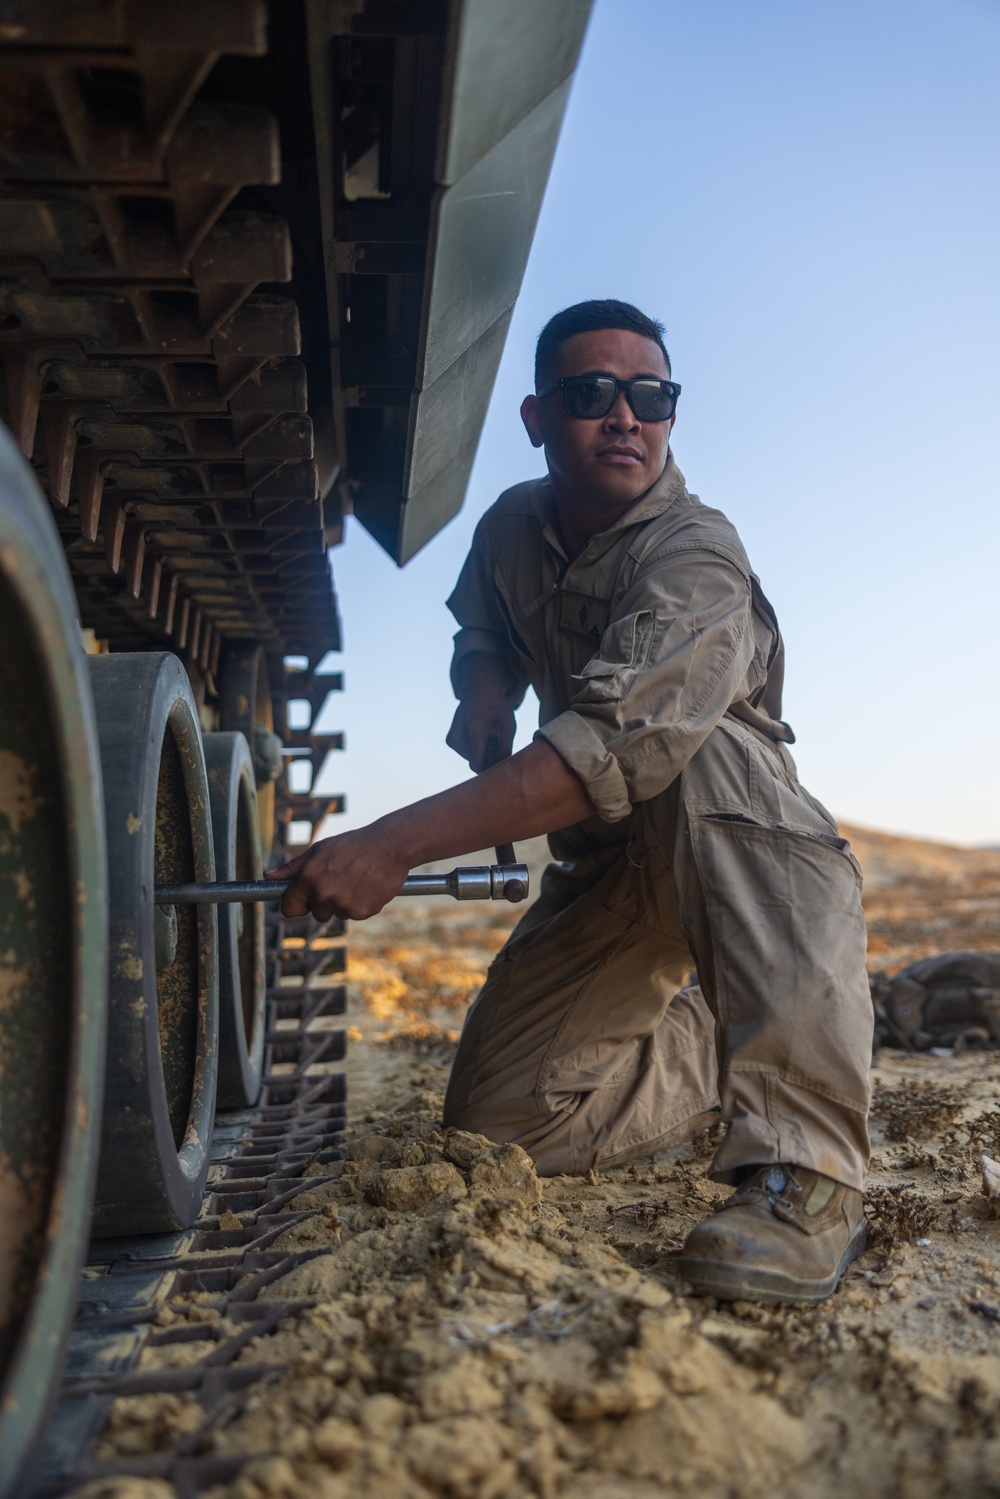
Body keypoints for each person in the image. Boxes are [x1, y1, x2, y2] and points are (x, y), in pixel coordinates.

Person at [271, 299, 873, 1305]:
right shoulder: (513, 522)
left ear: (671, 414)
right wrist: (485, 686)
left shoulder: (696, 554)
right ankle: (719, 1051)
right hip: (609, 860)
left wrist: (391, 844)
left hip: (732, 848)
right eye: (591, 394)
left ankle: (804, 1172)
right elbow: (482, 619)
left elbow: (599, 749)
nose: (624, 417)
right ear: (536, 417)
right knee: (502, 1121)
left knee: (708, 749)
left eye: (651, 396)